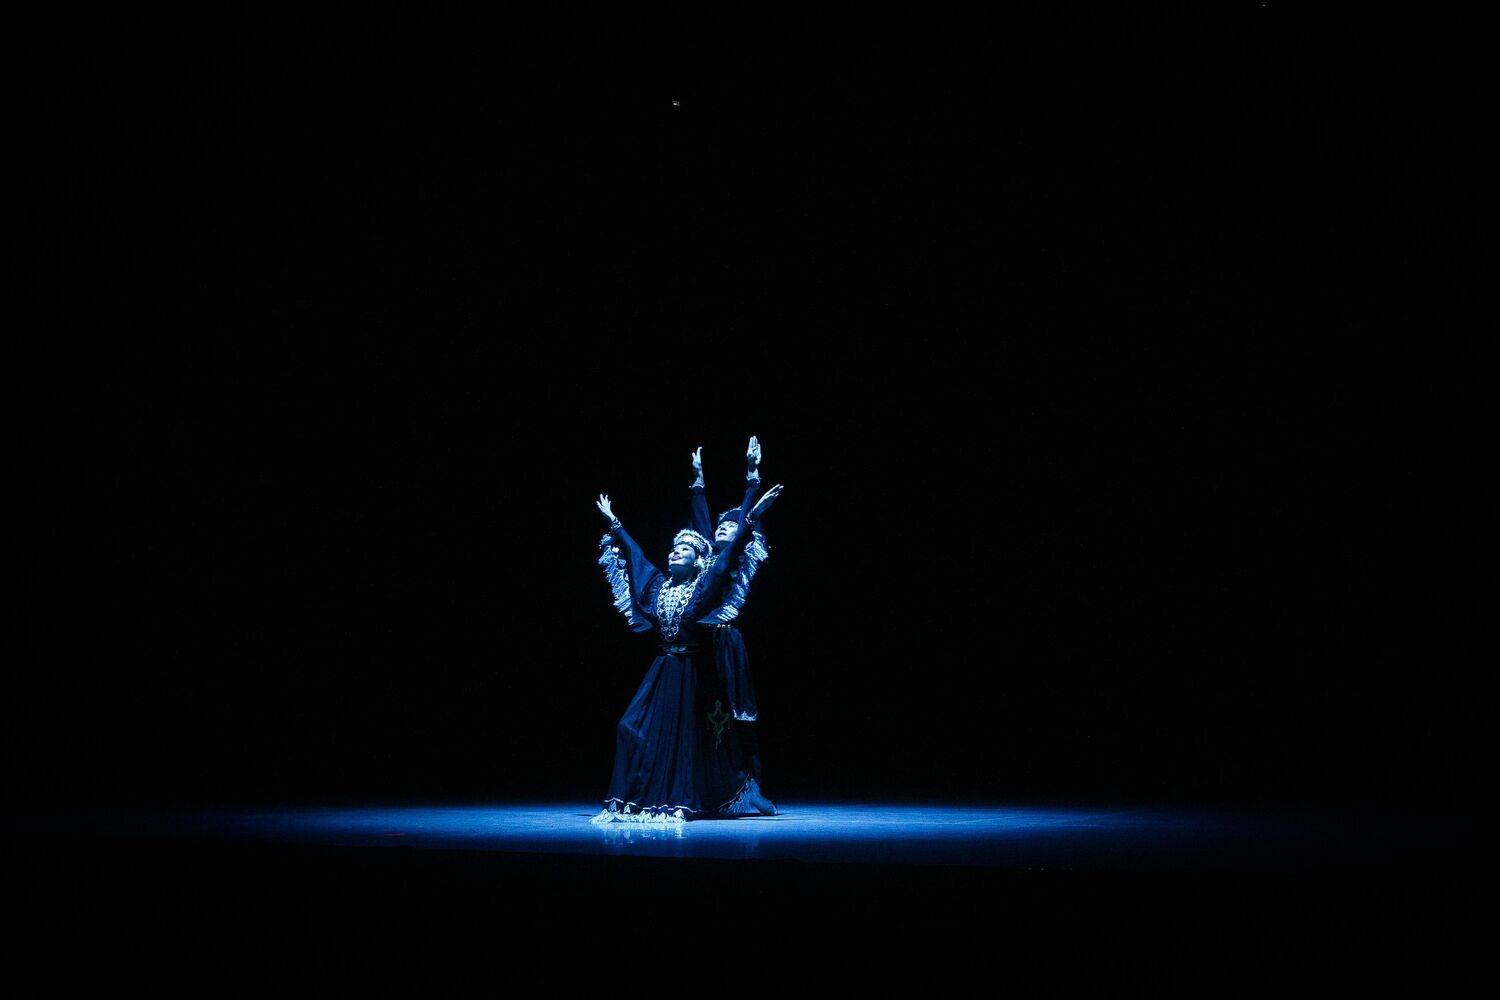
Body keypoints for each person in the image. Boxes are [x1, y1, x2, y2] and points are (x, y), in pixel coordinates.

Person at [591, 479, 783, 823]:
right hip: (664, 669)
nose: (674, 552)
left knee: (699, 738)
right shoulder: (657, 587)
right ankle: (636, 795)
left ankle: (728, 789)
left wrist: (752, 507)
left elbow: (728, 557)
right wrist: (616, 524)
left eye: (684, 549)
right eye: (673, 548)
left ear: (698, 561)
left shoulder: (702, 588)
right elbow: (637, 559)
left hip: (696, 670)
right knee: (630, 725)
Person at [688, 436, 777, 815]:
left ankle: (748, 789)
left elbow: (744, 528)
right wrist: (698, 482)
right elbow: (701, 525)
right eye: (719, 528)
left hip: (727, 643)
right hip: (700, 643)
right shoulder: (705, 563)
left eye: (730, 527)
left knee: (737, 714)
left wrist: (753, 476)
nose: (722, 529)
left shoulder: (739, 560)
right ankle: (704, 789)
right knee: (698, 716)